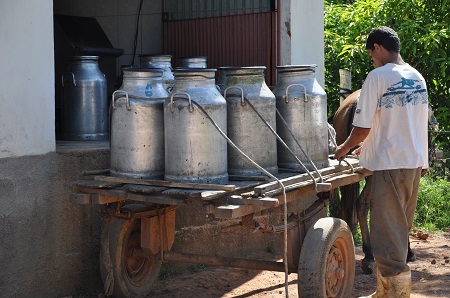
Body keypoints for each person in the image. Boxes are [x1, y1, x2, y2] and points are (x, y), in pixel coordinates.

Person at [334, 26, 429, 297]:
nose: (372, 60)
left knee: (386, 237)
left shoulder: (377, 76)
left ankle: (395, 295)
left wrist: (343, 148)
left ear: (377, 47)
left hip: (389, 166)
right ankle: (385, 291)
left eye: (371, 54)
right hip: (413, 164)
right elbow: (407, 125)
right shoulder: (417, 77)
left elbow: (362, 128)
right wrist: (367, 147)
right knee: (399, 233)